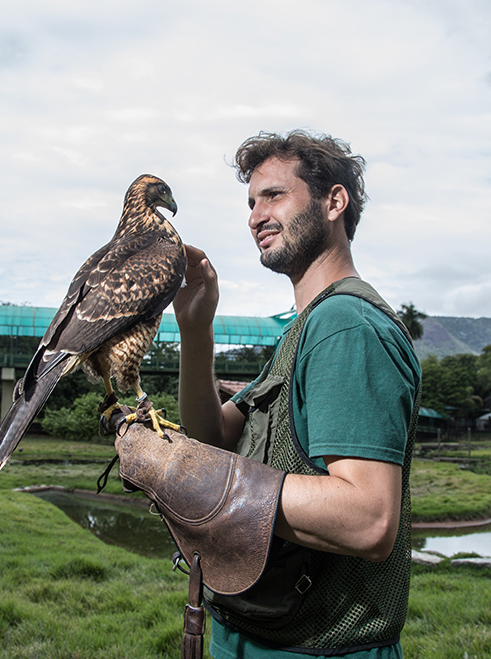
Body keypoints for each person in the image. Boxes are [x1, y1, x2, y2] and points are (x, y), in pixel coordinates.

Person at [116, 130, 421, 658]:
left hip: (316, 651)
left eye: (274, 195)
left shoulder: (345, 326)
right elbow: (212, 435)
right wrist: (195, 328)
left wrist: (207, 485)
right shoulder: (302, 331)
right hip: (255, 634)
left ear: (334, 202)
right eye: (251, 202)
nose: (256, 215)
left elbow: (369, 517)